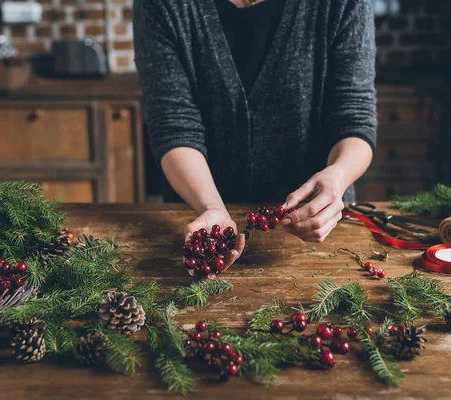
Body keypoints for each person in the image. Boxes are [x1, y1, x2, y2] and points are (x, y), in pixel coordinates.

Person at [134, 0, 377, 270]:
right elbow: (173, 122)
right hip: (199, 216)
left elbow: (354, 115)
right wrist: (209, 205)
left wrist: (338, 176)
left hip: (320, 230)